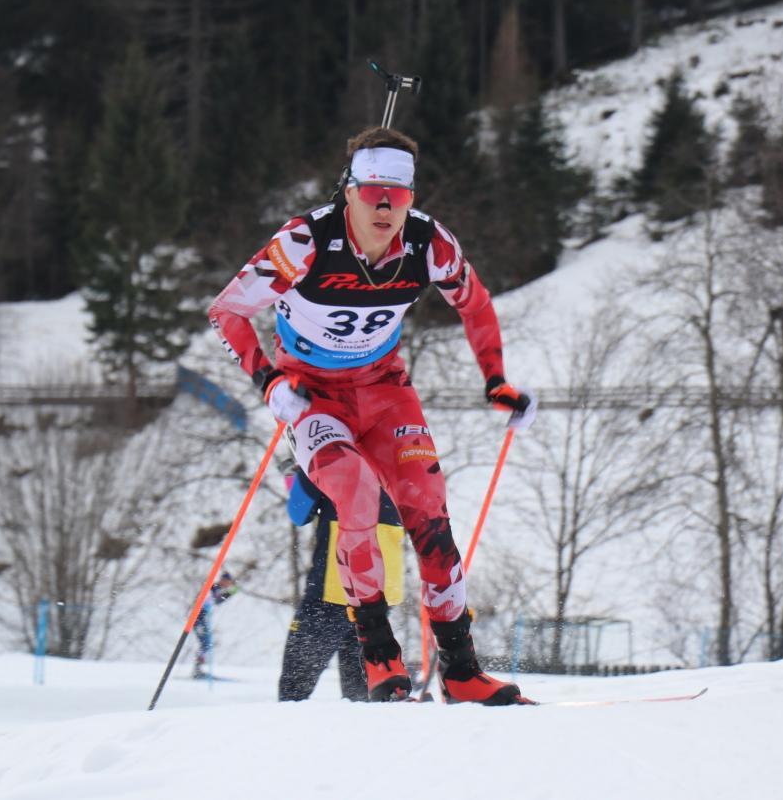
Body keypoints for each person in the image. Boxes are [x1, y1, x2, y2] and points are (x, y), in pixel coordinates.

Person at [208, 126, 537, 704]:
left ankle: (461, 671)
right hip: (314, 395)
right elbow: (227, 311)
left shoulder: (428, 243)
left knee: (428, 507)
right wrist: (269, 381)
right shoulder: (304, 241)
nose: (385, 208)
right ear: (350, 191)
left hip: (385, 390)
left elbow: (476, 302)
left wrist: (496, 380)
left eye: (398, 195)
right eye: (373, 194)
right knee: (355, 492)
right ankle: (382, 660)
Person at [278, 462, 405, 702]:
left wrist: (296, 477)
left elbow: (298, 512)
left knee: (294, 687)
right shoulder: (392, 457)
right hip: (382, 586)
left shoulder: (325, 456)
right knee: (361, 692)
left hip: (336, 583)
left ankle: (288, 726)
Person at [192, 571, 237, 679]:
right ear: (223, 580)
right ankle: (197, 670)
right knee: (205, 643)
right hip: (198, 619)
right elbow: (217, 600)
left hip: (202, 618)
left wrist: (228, 594)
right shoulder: (214, 587)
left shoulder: (216, 588)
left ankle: (198, 669)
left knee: (206, 643)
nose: (228, 585)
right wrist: (230, 593)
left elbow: (216, 601)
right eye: (227, 582)